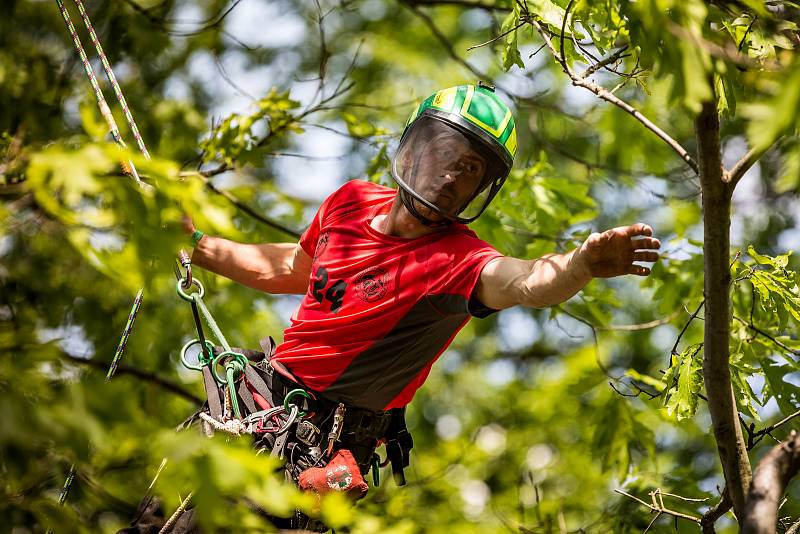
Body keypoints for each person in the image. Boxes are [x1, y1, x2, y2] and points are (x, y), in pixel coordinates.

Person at [175, 82, 659, 530]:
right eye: (446, 153)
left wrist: (580, 265)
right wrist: (193, 245)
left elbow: (526, 281)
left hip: (316, 447)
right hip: (258, 406)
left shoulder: (459, 261)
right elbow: (290, 268)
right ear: (416, 147)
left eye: (471, 169)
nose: (452, 175)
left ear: (481, 189)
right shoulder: (349, 203)